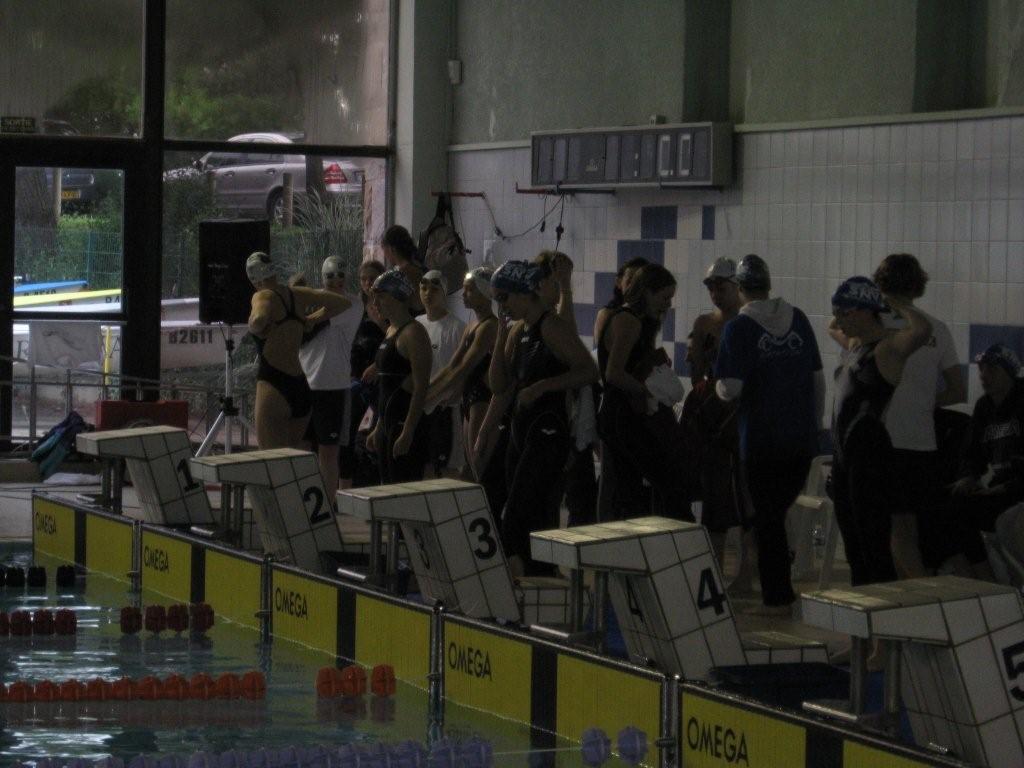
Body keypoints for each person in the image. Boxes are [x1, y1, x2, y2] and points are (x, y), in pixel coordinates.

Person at [714, 254, 824, 612]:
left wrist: (717, 388)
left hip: (761, 440)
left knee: (767, 519)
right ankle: (778, 592)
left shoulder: (739, 328)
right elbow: (817, 379)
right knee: (774, 516)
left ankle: (778, 597)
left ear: (740, 289)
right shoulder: (799, 319)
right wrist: (813, 426)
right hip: (801, 439)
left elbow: (730, 387)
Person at [488, 259, 599, 576]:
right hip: (522, 430)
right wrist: (500, 336)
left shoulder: (551, 326)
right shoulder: (517, 330)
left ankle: (526, 572)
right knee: (524, 510)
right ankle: (538, 574)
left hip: (549, 430)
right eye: (497, 300)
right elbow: (498, 385)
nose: (502, 306)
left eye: (504, 298)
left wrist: (542, 387)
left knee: (519, 511)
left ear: (524, 292)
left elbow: (589, 371)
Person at [830, 277, 932, 587]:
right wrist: (859, 304)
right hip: (843, 457)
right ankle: (862, 614)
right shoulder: (854, 345)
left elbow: (922, 330)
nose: (838, 320)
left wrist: (891, 303)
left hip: (870, 456)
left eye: (844, 312)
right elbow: (832, 326)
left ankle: (886, 615)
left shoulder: (888, 350)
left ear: (864, 312)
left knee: (874, 546)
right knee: (854, 549)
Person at [869, 253, 965, 577]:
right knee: (909, 527)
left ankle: (919, 595)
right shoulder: (938, 328)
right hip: (923, 444)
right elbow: (958, 391)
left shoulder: (876, 326)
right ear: (918, 284)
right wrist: (924, 403)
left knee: (895, 531)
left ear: (881, 284)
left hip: (885, 441)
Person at [597, 263, 693, 520]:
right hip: (623, 415)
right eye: (664, 298)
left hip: (617, 414)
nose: (667, 305)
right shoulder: (629, 321)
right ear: (647, 292)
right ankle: (679, 530)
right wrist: (648, 391)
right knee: (666, 481)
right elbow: (614, 373)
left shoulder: (628, 318)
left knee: (629, 489)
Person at [923, 344, 1023, 574]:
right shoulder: (984, 407)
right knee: (936, 508)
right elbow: (971, 453)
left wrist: (1008, 487)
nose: (984, 376)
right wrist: (967, 477)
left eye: (992, 370)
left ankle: (985, 577)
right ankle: (969, 576)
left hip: (1016, 491)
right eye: (981, 369)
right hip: (1000, 490)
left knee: (959, 514)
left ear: (1009, 373)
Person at [683, 257, 751, 587]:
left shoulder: (750, 324)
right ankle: (715, 576)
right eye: (711, 288)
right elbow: (697, 375)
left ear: (737, 287)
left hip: (743, 419)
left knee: (747, 501)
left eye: (720, 287)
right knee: (715, 501)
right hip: (713, 420)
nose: (715, 294)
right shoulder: (704, 324)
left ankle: (747, 574)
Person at [246, 251, 351, 449]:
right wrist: (312, 319)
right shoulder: (297, 294)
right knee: (292, 459)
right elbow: (343, 303)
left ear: (254, 280)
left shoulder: (262, 295)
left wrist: (253, 327)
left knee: (271, 460)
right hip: (300, 386)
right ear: (274, 272)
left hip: (274, 385)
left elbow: (258, 319)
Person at [426, 267, 499, 480]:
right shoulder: (472, 325)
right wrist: (426, 391)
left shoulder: (489, 327)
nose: (463, 295)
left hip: (483, 400)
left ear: (485, 293)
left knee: (478, 468)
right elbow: (451, 366)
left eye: (469, 290)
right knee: (469, 467)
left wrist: (428, 397)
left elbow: (464, 368)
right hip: (470, 397)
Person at [297, 255, 361, 495]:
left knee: (328, 451)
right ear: (323, 278)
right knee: (301, 448)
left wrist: (305, 315)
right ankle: (301, 499)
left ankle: (327, 505)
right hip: (305, 382)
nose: (336, 280)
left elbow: (314, 323)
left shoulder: (352, 304)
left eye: (341, 275)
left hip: (333, 385)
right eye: (330, 276)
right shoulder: (314, 299)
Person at [365, 268, 433, 483]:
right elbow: (386, 387)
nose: (375, 303)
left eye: (380, 297)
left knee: (404, 493)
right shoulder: (391, 330)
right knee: (387, 490)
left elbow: (421, 387)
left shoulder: (414, 333)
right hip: (388, 424)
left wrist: (408, 431)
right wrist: (378, 427)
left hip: (404, 424)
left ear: (396, 296)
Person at [416, 269, 467, 477]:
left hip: (446, 408)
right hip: (420, 406)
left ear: (444, 293)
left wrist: (456, 395)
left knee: (449, 468)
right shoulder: (417, 324)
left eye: (434, 289)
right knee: (425, 466)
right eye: (424, 288)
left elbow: (464, 369)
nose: (428, 293)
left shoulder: (457, 328)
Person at [593, 257, 649, 342]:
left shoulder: (649, 314)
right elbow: (601, 349)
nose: (634, 287)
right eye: (630, 281)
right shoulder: (607, 314)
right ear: (619, 282)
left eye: (640, 283)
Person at [381, 225, 425, 314]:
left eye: (383, 249)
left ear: (391, 249)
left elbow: (418, 305)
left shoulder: (402, 273)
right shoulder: (419, 265)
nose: (384, 255)